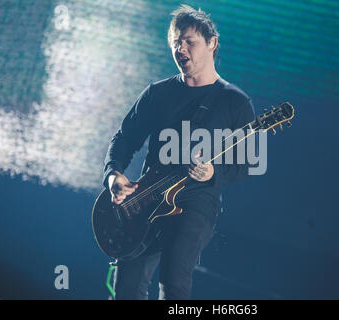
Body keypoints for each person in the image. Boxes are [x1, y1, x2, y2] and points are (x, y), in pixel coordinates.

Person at [103, 4, 255, 300]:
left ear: (212, 43)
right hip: (147, 196)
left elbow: (249, 163)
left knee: (173, 283)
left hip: (195, 201)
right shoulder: (157, 94)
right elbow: (124, 139)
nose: (180, 49)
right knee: (126, 289)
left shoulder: (235, 102)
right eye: (175, 42)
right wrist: (112, 174)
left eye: (189, 41)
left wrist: (215, 171)